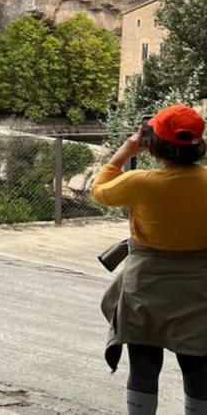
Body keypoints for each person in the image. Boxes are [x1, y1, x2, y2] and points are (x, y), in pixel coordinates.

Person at [92, 104, 207, 415]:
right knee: (198, 372)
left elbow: (99, 191)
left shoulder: (141, 182)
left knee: (143, 370)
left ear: (153, 143)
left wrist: (126, 150)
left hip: (146, 288)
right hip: (200, 291)